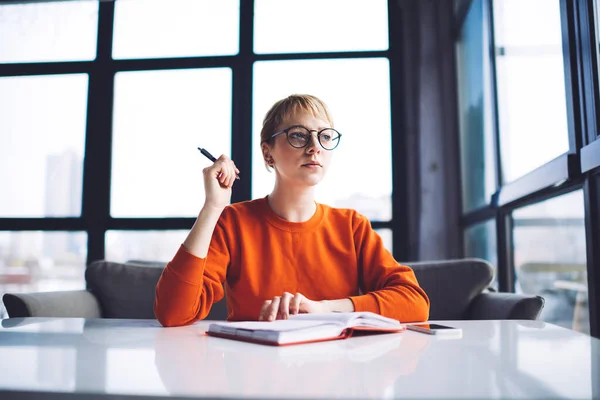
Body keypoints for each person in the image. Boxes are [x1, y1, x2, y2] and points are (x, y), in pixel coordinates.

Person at [154, 94, 429, 327]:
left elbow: (414, 303)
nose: (314, 148)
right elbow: (173, 313)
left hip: (336, 378)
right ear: (267, 153)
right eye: (298, 135)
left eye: (325, 136)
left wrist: (322, 309)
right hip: (251, 375)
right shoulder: (233, 223)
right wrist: (213, 207)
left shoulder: (352, 226)